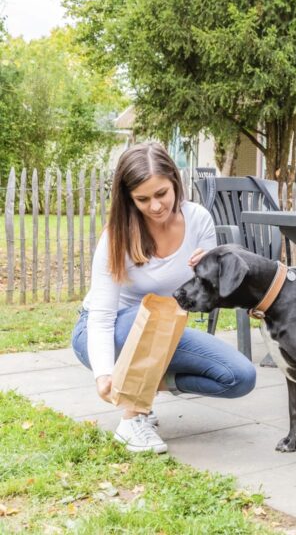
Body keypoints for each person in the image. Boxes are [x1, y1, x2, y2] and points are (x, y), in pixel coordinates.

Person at [72, 142, 256, 452]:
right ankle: (132, 420)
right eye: (142, 199)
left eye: (162, 194)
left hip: (165, 329)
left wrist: (209, 276)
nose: (155, 206)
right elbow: (102, 316)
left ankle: (142, 387)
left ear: (175, 181)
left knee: (240, 376)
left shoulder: (198, 220)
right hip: (107, 330)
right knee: (150, 314)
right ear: (129, 199)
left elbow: (206, 299)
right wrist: (104, 374)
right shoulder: (116, 236)